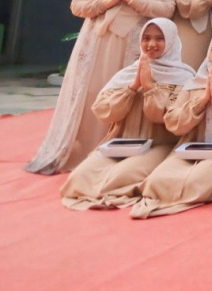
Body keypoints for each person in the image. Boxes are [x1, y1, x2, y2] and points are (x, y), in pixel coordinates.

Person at [27, 0, 177, 175]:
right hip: (98, 42)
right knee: (92, 93)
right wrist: (109, 1)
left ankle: (116, 152)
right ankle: (81, 150)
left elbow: (167, 10)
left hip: (136, 44)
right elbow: (78, 5)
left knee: (127, 95)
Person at [61, 18, 195, 210]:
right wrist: (133, 86)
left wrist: (149, 87)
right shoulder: (128, 73)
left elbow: (169, 118)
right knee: (79, 177)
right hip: (122, 142)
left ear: (172, 42)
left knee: (121, 175)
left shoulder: (184, 77)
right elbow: (103, 110)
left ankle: (109, 195)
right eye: (146, 38)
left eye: (159, 39)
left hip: (160, 144)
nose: (151, 44)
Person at [130, 28, 212, 218]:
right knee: (154, 182)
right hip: (190, 149)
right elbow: (173, 122)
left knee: (194, 182)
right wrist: (202, 100)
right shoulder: (195, 82)